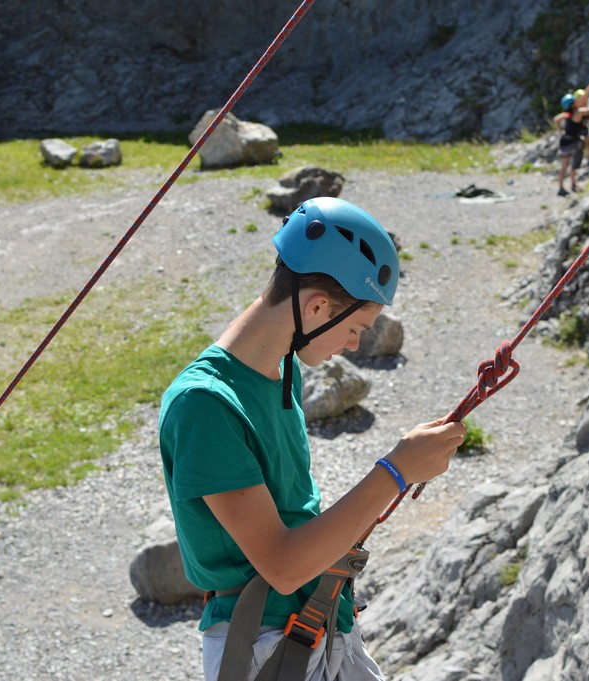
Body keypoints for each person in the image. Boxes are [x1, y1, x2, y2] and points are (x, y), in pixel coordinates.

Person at [159, 196, 467, 680]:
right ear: (317, 305)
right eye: (356, 327)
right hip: (264, 647)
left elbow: (296, 515)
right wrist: (396, 471)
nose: (354, 345)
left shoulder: (282, 368)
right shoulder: (205, 405)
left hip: (319, 625)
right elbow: (281, 564)